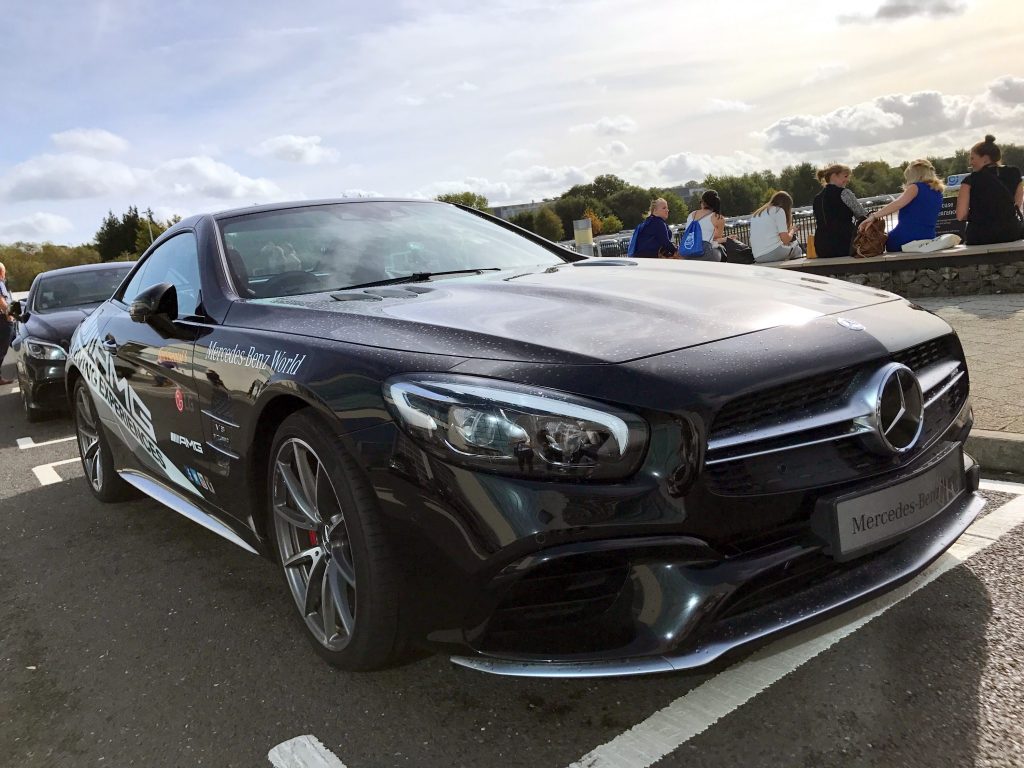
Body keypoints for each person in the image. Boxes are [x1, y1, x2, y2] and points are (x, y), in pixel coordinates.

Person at [858, 159, 944, 252]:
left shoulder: (915, 187)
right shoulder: (938, 191)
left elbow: (897, 204)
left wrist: (874, 216)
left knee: (886, 241)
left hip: (906, 237)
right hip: (928, 236)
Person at [955, 134, 1024, 246]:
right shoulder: (1015, 173)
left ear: (985, 159)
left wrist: (980, 214)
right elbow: (1017, 203)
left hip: (980, 236)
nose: (970, 163)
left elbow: (961, 215)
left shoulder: (970, 180)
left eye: (972, 158)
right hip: (1011, 232)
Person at [812, 163, 867, 258]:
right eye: (845, 176)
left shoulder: (817, 198)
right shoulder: (844, 193)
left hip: (822, 247)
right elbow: (862, 215)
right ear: (834, 176)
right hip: (845, 244)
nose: (847, 180)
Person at [749, 191, 802, 263]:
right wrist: (793, 230)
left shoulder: (757, 213)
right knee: (797, 249)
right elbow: (785, 240)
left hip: (758, 256)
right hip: (772, 253)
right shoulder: (778, 211)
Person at [0, 261, 14, 386]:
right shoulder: (0, 283)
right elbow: (1, 301)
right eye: (4, 271)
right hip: (3, 319)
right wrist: (9, 315)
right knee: (2, 349)